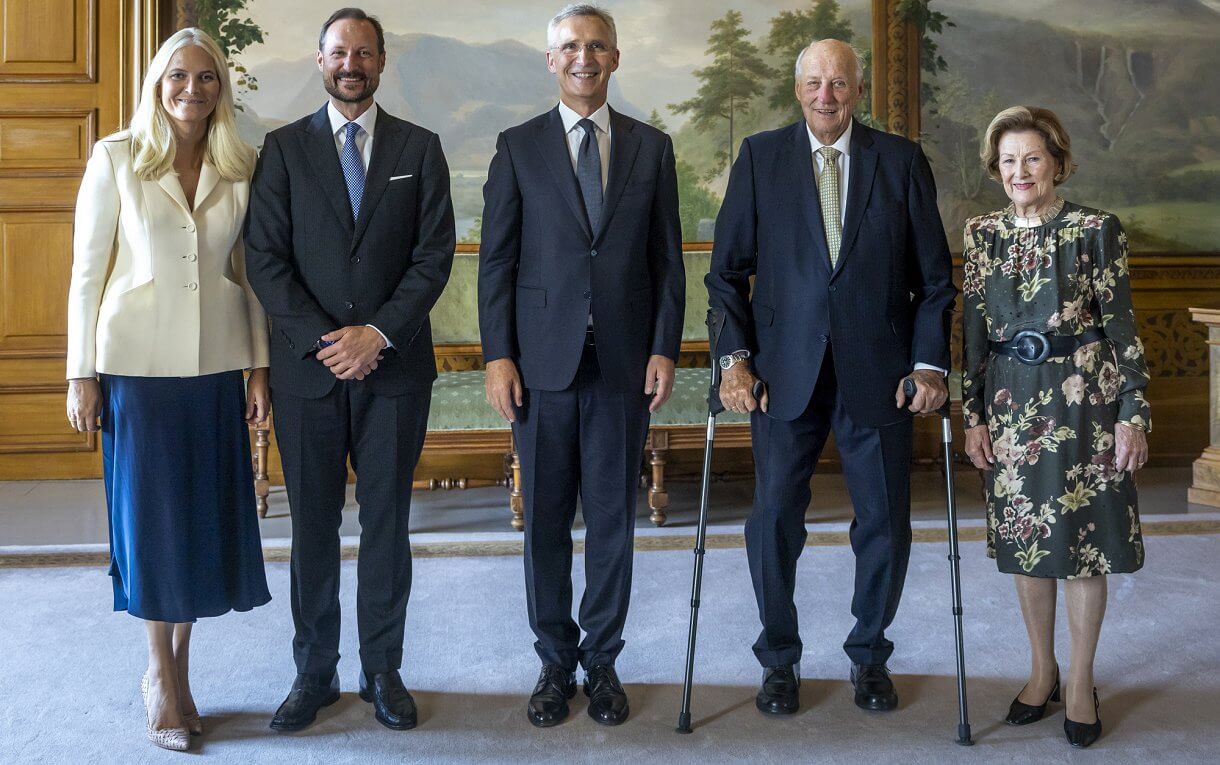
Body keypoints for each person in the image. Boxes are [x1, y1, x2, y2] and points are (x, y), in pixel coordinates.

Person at [706, 38, 956, 716]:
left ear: (859, 88)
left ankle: (870, 655)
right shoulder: (761, 159)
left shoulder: (900, 162)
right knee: (774, 522)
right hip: (782, 376)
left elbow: (935, 281)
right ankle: (778, 661)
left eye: (839, 83)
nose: (827, 95)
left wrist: (930, 364)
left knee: (884, 522)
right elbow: (725, 274)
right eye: (815, 82)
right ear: (798, 89)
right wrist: (734, 361)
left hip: (882, 375)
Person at [244, 7, 455, 733]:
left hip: (394, 370)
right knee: (313, 529)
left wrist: (377, 334)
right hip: (309, 373)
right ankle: (314, 673)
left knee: (388, 526)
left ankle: (383, 670)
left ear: (381, 61)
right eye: (339, 52)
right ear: (320, 59)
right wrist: (329, 341)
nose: (351, 63)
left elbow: (434, 257)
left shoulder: (420, 149)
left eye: (363, 52)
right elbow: (264, 260)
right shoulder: (282, 150)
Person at [65, 27, 271, 752]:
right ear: (158, 84)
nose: (193, 89)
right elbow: (87, 271)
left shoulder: (242, 164)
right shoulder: (116, 157)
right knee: (152, 527)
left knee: (198, 522)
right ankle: (159, 673)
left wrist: (258, 368)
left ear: (222, 87)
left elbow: (249, 277)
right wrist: (79, 371)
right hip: (136, 369)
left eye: (207, 77)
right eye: (178, 76)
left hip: (214, 366)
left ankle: (180, 670)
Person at [478, 2, 684, 728]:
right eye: (570, 46)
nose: (584, 58)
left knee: (611, 522)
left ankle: (603, 660)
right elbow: (496, 262)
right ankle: (554, 661)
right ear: (551, 60)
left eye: (597, 46)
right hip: (539, 369)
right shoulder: (518, 145)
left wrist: (664, 346)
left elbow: (667, 261)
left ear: (615, 58)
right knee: (543, 524)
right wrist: (499, 355)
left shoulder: (651, 148)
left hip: (623, 364)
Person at [960, 105, 1149, 749]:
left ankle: (1080, 683)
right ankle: (1042, 672)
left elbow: (1122, 327)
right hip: (1013, 403)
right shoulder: (981, 233)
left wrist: (1133, 413)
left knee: (1082, 543)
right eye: (1008, 160)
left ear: (1058, 162)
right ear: (996, 169)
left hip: (1084, 403)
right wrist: (974, 415)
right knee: (1029, 543)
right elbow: (974, 336)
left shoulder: (1096, 229)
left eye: (1032, 158)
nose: (1019, 171)